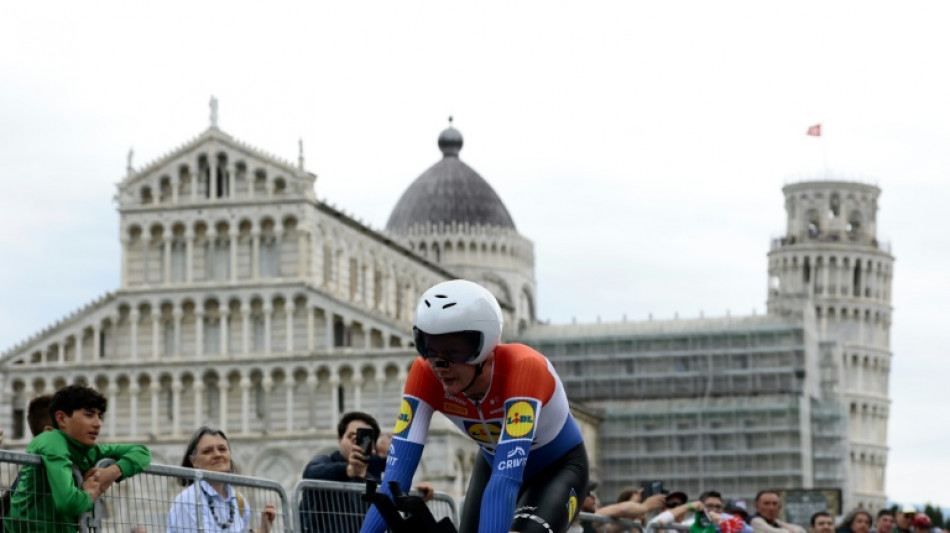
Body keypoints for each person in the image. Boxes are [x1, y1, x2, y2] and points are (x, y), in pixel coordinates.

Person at [360, 279, 590, 533]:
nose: (440, 365)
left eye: (453, 352)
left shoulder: (523, 368)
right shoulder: (424, 374)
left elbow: (505, 483)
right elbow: (395, 477)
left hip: (557, 468)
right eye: (429, 348)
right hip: (493, 464)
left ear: (483, 347)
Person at [4, 384, 152, 533]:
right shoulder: (51, 441)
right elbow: (67, 502)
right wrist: (89, 494)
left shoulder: (87, 449)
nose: (98, 423)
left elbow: (142, 452)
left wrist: (111, 473)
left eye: (99, 416)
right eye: (89, 415)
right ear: (61, 419)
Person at [167, 426, 276, 533]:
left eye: (222, 449)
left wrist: (263, 530)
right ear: (193, 461)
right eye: (208, 451)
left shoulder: (239, 501)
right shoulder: (188, 500)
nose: (217, 454)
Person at [299, 411, 387, 532]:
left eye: (363, 439)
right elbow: (310, 473)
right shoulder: (325, 462)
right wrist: (348, 470)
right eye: (351, 437)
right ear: (340, 440)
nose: (356, 443)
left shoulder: (375, 484)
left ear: (373, 448)